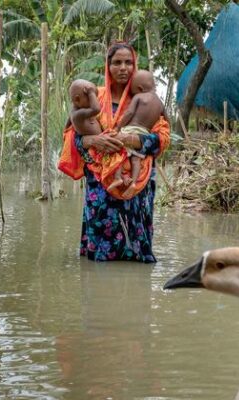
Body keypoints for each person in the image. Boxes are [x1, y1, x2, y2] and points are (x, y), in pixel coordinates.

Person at [58, 42, 170, 263]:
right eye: (117, 62)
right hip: (100, 184)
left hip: (137, 183)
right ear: (107, 67)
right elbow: (72, 135)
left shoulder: (146, 99)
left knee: (137, 246)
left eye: (128, 62)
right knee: (101, 250)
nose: (123, 67)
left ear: (135, 65)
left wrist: (130, 139)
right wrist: (93, 139)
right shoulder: (92, 97)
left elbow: (162, 139)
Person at [108, 69, 165, 199]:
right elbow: (166, 121)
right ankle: (133, 182)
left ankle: (118, 178)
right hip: (145, 133)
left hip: (131, 130)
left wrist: (118, 127)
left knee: (119, 151)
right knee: (136, 159)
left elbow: (129, 113)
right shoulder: (160, 104)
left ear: (139, 88)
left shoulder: (139, 96)